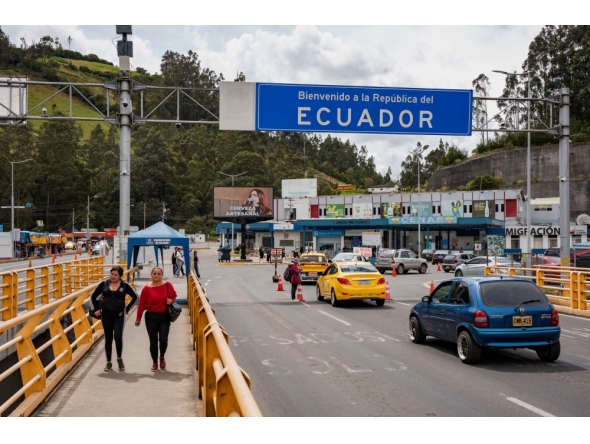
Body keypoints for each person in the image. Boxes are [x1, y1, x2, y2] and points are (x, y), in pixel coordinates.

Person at [90, 266, 139, 372]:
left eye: (116, 275)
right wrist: (96, 309)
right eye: (112, 274)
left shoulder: (125, 286)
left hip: (119, 315)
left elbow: (136, 297)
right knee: (108, 339)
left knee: (117, 337)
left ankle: (119, 358)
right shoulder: (103, 284)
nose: (113, 276)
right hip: (106, 315)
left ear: (120, 276)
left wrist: (127, 308)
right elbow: (93, 296)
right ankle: (108, 362)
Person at [135, 267, 177, 372]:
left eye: (159, 273)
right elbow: (141, 304)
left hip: (164, 316)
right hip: (151, 317)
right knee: (153, 341)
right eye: (154, 273)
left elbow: (174, 295)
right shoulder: (146, 288)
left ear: (162, 275)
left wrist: (170, 300)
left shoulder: (168, 285)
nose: (156, 275)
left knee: (163, 339)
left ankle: (162, 356)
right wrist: (138, 318)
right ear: (151, 275)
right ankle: (155, 362)